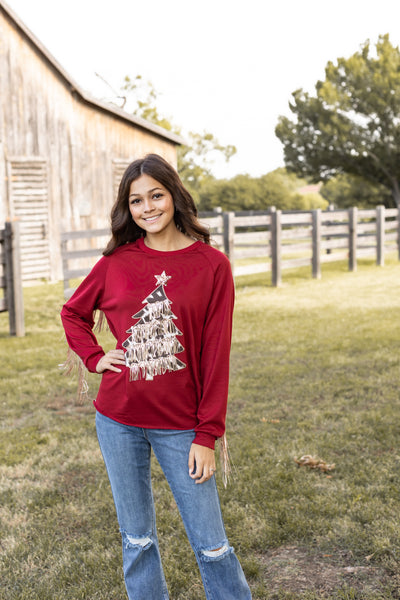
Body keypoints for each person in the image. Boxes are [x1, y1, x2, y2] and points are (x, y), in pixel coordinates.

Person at [60, 153, 252, 600]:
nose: (147, 207)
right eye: (136, 200)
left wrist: (208, 434)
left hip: (182, 426)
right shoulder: (116, 263)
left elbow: (215, 355)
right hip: (117, 419)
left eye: (156, 195)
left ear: (174, 196)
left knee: (212, 544)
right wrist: (94, 357)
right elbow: (73, 312)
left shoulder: (211, 266)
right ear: (128, 209)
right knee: (137, 540)